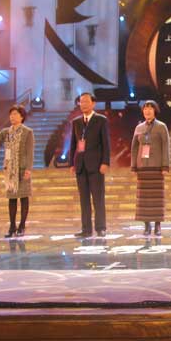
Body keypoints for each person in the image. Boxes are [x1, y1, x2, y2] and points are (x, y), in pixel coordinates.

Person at [0, 105, 34, 238]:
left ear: (22, 117)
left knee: (23, 198)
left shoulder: (27, 132)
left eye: (15, 114)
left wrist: (28, 169)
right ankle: (12, 226)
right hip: (10, 171)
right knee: (12, 199)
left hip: (22, 170)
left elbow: (29, 152)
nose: (12, 117)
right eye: (11, 114)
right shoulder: (6, 132)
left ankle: (22, 226)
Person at [69, 92, 110, 238]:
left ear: (93, 103)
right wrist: (71, 163)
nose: (83, 104)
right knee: (84, 199)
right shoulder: (76, 122)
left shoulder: (101, 120)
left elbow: (106, 143)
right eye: (81, 102)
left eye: (86, 101)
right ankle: (86, 229)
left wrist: (105, 162)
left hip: (96, 165)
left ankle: (101, 227)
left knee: (98, 198)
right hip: (80, 166)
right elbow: (73, 144)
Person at [131, 100, 170, 237]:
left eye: (150, 108)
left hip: (157, 167)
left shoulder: (161, 126)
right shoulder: (138, 128)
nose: (147, 111)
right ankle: (147, 225)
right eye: (145, 109)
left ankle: (158, 225)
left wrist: (165, 165)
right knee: (144, 199)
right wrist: (134, 165)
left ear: (155, 111)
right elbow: (134, 148)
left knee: (157, 198)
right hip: (142, 167)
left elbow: (166, 146)